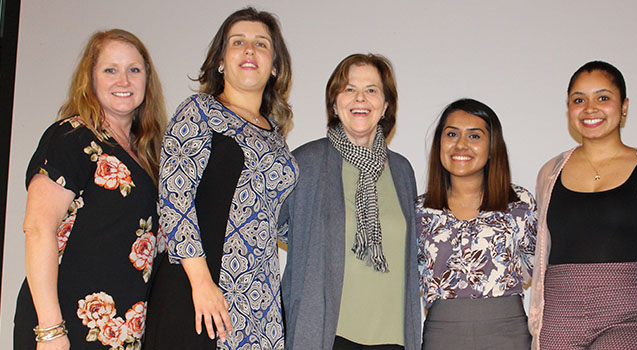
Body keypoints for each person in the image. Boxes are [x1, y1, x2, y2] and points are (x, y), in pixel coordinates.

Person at [142, 7, 298, 350]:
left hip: (258, 301)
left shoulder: (276, 137)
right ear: (221, 61)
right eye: (237, 42)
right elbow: (174, 198)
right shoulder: (198, 112)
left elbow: (281, 220)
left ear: (274, 67)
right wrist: (202, 283)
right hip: (199, 291)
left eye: (261, 44)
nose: (249, 50)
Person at [13, 29, 166, 350]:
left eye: (133, 70)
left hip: (122, 332)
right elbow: (38, 229)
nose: (123, 81)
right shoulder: (72, 138)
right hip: (65, 325)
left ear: (147, 80)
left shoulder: (150, 157)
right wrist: (51, 330)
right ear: (90, 78)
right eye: (110, 69)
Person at [528, 61, 637, 350]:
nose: (590, 108)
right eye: (579, 100)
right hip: (559, 312)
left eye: (603, 98)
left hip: (631, 313)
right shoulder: (550, 172)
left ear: (624, 107)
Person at [279, 53, 421, 350]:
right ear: (334, 103)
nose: (360, 98)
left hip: (392, 337)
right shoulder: (306, 163)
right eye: (348, 89)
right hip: (326, 336)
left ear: (385, 106)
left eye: (371, 90)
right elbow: (274, 227)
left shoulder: (402, 171)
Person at [417, 98, 537, 350]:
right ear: (440, 142)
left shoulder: (519, 204)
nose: (461, 145)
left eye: (474, 136)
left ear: (492, 147)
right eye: (451, 134)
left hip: (509, 333)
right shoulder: (418, 211)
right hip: (442, 334)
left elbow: (535, 267)